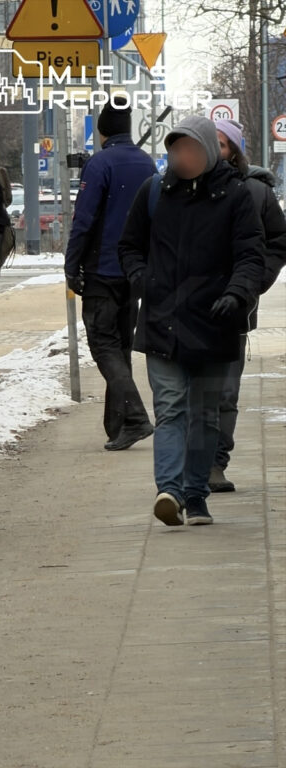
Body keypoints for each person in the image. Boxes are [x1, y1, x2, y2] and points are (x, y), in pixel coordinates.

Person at [118, 116, 265, 526]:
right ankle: (170, 490)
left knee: (203, 415)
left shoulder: (236, 197)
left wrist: (237, 293)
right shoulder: (154, 192)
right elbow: (129, 245)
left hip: (215, 322)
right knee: (169, 409)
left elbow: (251, 256)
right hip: (163, 319)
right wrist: (140, 277)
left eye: (190, 149)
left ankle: (196, 495)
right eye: (175, 150)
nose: (183, 157)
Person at [65, 102, 156, 451]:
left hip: (102, 269)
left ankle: (134, 418)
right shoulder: (146, 163)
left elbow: (84, 220)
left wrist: (71, 266)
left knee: (103, 345)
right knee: (119, 346)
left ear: (102, 131)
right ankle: (116, 426)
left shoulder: (100, 163)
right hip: (133, 271)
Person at [207, 118, 286, 492]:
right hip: (182, 310)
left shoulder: (255, 192)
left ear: (234, 151)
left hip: (232, 309)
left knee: (224, 392)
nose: (214, 151)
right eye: (209, 143)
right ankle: (185, 466)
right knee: (183, 394)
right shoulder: (174, 188)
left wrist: (253, 284)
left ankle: (215, 464)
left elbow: (278, 241)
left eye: (222, 145)